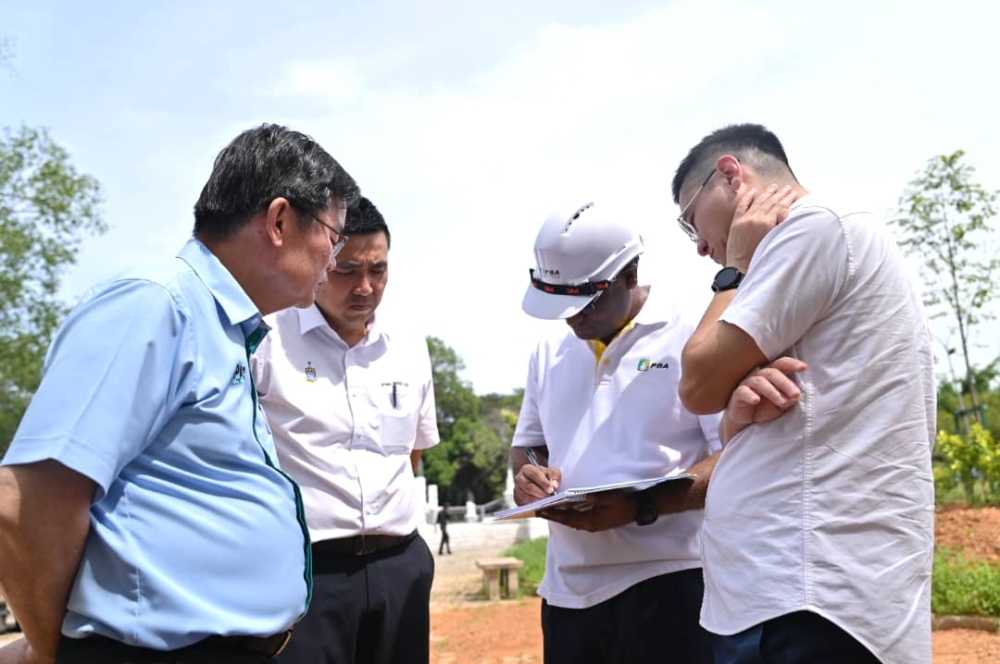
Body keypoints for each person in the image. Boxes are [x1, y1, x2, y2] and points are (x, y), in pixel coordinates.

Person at [0, 123, 360, 664]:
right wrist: (52, 651)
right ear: (280, 220)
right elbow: (28, 503)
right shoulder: (158, 305)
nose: (334, 260)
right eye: (334, 237)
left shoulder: (221, 327)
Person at [672, 123, 936, 664]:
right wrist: (737, 420)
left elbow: (697, 384)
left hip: (812, 594)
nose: (699, 244)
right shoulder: (833, 240)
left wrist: (733, 273)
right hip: (799, 591)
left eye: (690, 218)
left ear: (729, 174)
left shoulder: (813, 230)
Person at [510, 202, 722, 664]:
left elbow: (735, 457)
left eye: (584, 302)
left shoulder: (693, 335)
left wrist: (641, 506)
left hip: (672, 582)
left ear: (630, 275)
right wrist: (530, 475)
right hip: (568, 591)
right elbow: (529, 444)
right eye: (559, 303)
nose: (572, 318)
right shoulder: (550, 349)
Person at [250, 196, 439, 664]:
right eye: (347, 270)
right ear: (319, 259)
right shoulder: (268, 338)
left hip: (401, 567)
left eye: (378, 270)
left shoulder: (409, 347)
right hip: (308, 575)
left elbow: (412, 454)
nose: (365, 287)